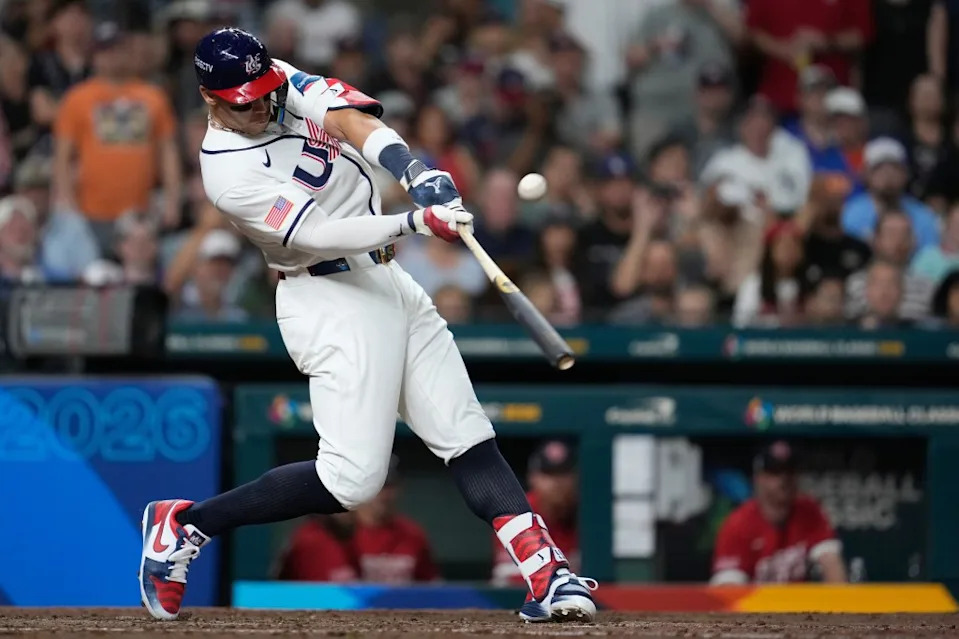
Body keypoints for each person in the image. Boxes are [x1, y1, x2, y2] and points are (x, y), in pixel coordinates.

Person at [137, 28, 596, 624]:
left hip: (386, 280)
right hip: (327, 296)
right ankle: (186, 524)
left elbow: (350, 119)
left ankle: (546, 573)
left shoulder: (274, 79)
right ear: (210, 98)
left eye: (265, 91)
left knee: (465, 432)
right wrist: (415, 222)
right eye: (245, 102)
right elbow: (317, 234)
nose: (263, 105)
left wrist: (414, 171)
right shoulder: (226, 172)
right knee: (351, 481)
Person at [52, 21, 181, 248]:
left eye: (118, 49)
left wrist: (172, 200)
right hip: (90, 210)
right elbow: (62, 157)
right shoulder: (76, 99)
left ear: (129, 52)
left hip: (141, 212)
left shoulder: (153, 97)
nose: (112, 56)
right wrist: (67, 202)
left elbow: (168, 152)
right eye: (105, 50)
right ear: (94, 56)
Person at [276, 455, 438, 583]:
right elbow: (280, 590)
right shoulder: (315, 537)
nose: (383, 495)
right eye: (375, 486)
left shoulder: (411, 534)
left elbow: (433, 590)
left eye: (388, 486)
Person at [711, 441, 847, 584]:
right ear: (758, 478)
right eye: (774, 472)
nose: (784, 479)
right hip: (756, 598)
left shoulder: (809, 510)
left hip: (800, 598)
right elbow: (728, 587)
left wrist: (837, 596)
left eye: (790, 471)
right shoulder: (738, 525)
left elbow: (833, 565)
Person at [492, 440, 580, 586]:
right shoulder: (516, 512)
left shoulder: (586, 513)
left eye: (563, 474)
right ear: (532, 478)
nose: (556, 483)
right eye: (548, 474)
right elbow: (510, 578)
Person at [841, 137, 940, 250]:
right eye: (879, 169)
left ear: (905, 174)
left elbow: (929, 255)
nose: (888, 175)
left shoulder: (923, 216)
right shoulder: (850, 214)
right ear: (866, 174)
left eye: (895, 168)